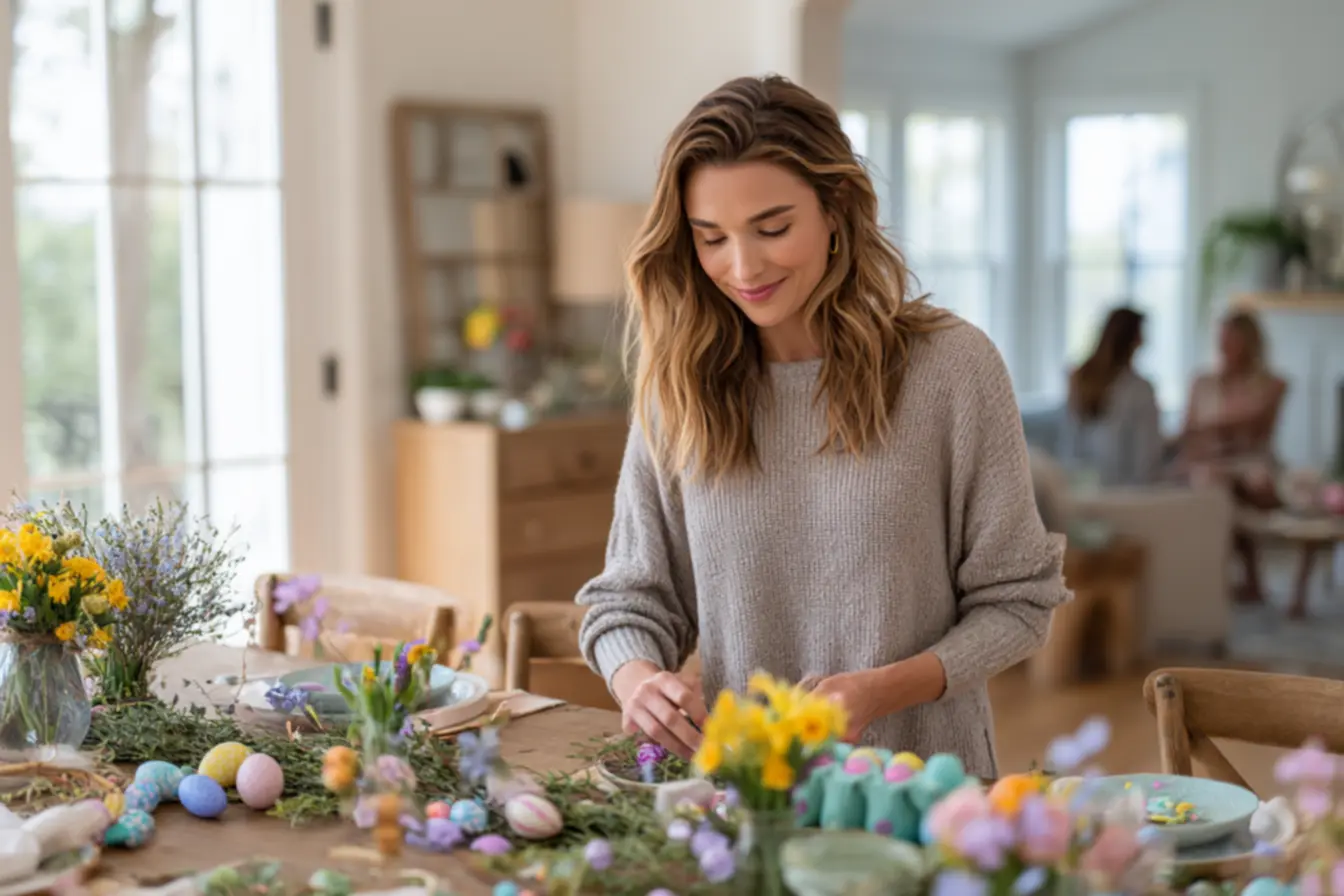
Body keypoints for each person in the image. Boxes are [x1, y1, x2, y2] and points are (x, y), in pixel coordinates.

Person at [574, 75, 1070, 779]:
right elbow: (627, 599)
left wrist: (879, 691)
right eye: (711, 238)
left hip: (923, 794)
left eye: (773, 229)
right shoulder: (678, 388)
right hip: (745, 801)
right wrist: (638, 682)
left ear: (837, 208)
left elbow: (1018, 603)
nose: (742, 268)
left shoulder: (952, 369)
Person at [1175, 311, 1288, 609]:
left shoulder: (1271, 384)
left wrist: (1213, 430)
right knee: (1209, 480)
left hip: (1251, 462)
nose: (1224, 346)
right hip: (1208, 463)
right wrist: (1209, 439)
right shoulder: (1202, 382)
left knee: (1238, 481)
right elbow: (1188, 433)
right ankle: (1229, 577)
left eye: (1232, 339)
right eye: (1222, 338)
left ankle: (1233, 577)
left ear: (1250, 343)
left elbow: (1256, 428)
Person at [1057, 306, 1163, 487]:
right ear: (1136, 340)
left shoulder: (1080, 378)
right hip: (1127, 495)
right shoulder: (1140, 390)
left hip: (1081, 489)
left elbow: (1069, 447)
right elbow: (1146, 460)